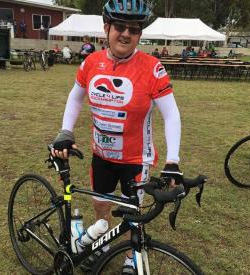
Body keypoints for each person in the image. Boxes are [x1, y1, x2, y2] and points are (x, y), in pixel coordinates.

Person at [52, 0, 182, 273]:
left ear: (140, 35)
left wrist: (173, 160)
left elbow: (171, 114)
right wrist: (66, 131)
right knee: (101, 205)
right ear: (106, 28)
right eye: (119, 27)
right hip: (102, 156)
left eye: (133, 30)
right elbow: (76, 98)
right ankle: (103, 246)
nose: (125, 34)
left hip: (136, 159)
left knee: (133, 213)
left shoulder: (152, 67)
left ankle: (130, 257)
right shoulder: (91, 63)